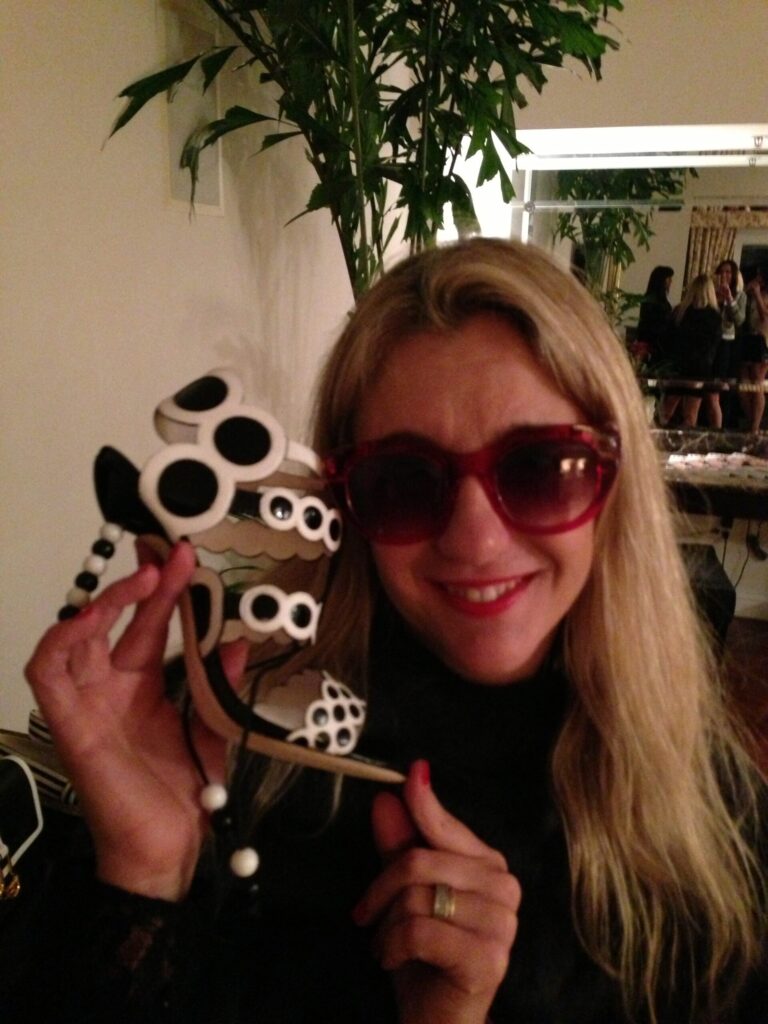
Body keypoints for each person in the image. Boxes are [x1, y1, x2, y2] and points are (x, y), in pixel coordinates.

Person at [12, 239, 767, 1024]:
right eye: (403, 481)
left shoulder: (707, 800)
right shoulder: (224, 743)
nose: (475, 540)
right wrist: (144, 871)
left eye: (540, 467)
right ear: (343, 502)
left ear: (613, 478)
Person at [658, 273, 722, 428]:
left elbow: (667, 338)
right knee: (690, 414)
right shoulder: (713, 316)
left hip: (679, 366)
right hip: (699, 368)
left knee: (666, 410)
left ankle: (659, 437)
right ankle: (688, 441)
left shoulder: (680, 312)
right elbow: (713, 345)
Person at [713, 259, 747, 428]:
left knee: (725, 383)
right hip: (711, 341)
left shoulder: (740, 295)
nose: (725, 275)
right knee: (711, 383)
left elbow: (740, 320)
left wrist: (729, 299)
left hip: (728, 341)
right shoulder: (712, 291)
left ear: (733, 275)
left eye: (728, 272)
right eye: (722, 272)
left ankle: (724, 423)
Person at [740, 267, 768, 432]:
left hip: (763, 339)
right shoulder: (751, 292)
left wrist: (757, 295)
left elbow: (765, 317)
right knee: (744, 383)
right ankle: (750, 420)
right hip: (749, 337)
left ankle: (755, 426)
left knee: (757, 381)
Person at [635, 264, 674, 367]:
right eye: (668, 278)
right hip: (654, 345)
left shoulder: (653, 298)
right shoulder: (654, 300)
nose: (671, 282)